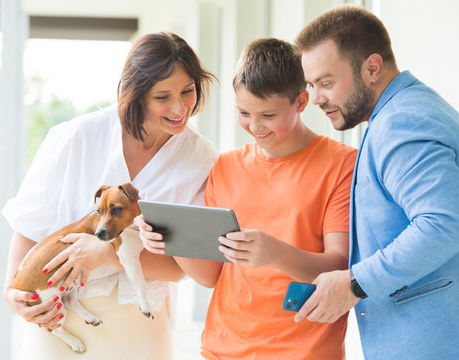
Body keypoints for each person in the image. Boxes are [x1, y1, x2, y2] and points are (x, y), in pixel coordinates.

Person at [136, 38, 357, 359]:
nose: (254, 127)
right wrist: (172, 240)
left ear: (301, 101)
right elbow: (210, 276)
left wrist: (274, 252)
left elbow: (339, 269)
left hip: (304, 352)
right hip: (222, 349)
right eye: (243, 113)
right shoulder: (226, 166)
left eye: (268, 115)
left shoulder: (342, 165)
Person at [2, 32, 218, 360]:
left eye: (187, 91)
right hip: (59, 320)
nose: (179, 108)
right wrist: (11, 292)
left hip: (139, 327)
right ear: (136, 95)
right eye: (162, 97)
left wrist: (105, 253)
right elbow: (28, 227)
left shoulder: (202, 160)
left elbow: (178, 268)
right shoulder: (75, 138)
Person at [293, 5, 459, 359]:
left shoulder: (401, 122)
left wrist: (355, 283)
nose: (316, 98)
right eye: (311, 84)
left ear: (372, 68)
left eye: (326, 82)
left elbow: (445, 224)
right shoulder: (407, 109)